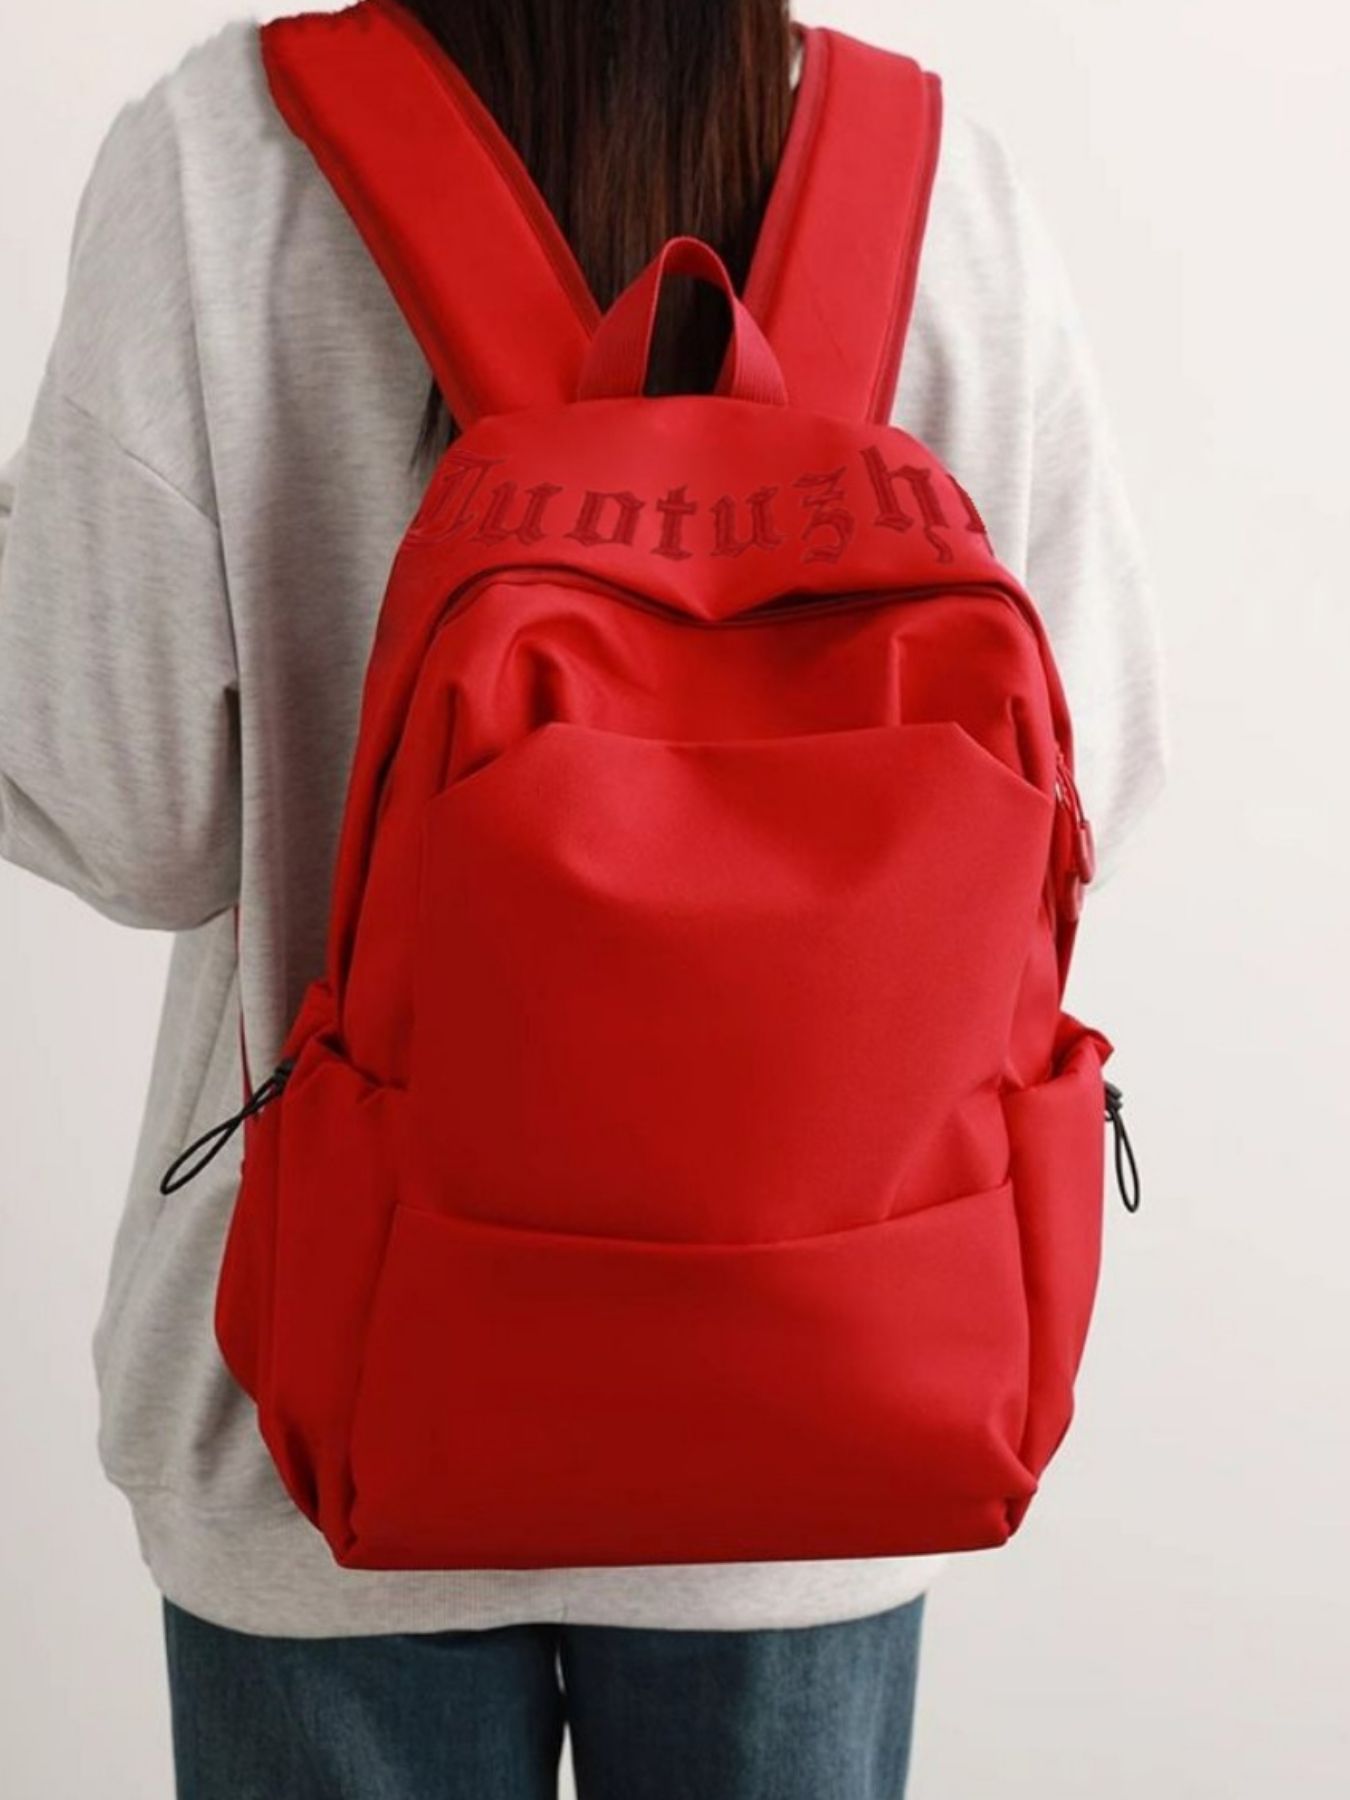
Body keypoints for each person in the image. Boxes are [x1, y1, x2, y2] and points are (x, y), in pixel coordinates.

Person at [0, 1, 1168, 1794]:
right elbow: (1098, 789)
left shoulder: (226, 158)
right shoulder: (934, 188)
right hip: (832, 1400)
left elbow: (126, 809)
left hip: (330, 1401)